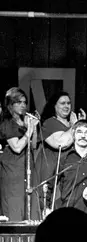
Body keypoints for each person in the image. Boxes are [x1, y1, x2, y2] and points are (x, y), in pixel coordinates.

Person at [38, 92, 85, 209]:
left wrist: (81, 125)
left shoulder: (71, 123)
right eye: (62, 103)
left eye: (68, 103)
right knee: (49, 198)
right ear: (54, 106)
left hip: (70, 168)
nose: (66, 106)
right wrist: (75, 126)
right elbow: (61, 143)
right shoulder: (50, 122)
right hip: (53, 166)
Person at [0, 87, 40, 221]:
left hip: (27, 166)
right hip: (13, 169)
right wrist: (29, 131)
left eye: (24, 102)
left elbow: (33, 145)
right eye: (19, 102)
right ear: (10, 104)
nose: (23, 105)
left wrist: (33, 129)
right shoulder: (7, 123)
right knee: (15, 206)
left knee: (30, 206)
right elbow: (16, 147)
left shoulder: (24, 121)